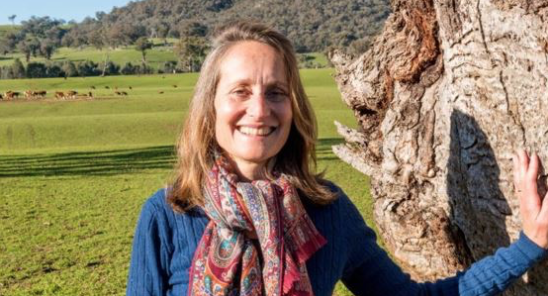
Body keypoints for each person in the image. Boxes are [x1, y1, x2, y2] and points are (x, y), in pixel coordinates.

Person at [126, 21, 547, 296]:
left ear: (293, 107)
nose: (260, 110)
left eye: (276, 92)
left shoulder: (328, 212)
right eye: (240, 92)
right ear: (210, 107)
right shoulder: (167, 215)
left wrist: (529, 245)